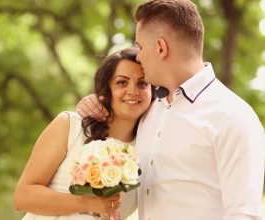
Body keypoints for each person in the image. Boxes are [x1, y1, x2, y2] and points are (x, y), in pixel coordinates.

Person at [76, 0, 265, 220]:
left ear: (160, 48)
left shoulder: (233, 117)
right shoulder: (149, 112)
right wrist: (95, 104)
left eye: (140, 47)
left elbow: (244, 215)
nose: (138, 56)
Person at [13, 48, 153, 219]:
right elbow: (22, 197)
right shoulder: (70, 125)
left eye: (142, 83)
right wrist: (87, 203)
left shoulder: (147, 153)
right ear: (106, 89)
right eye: (121, 82)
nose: (133, 90)